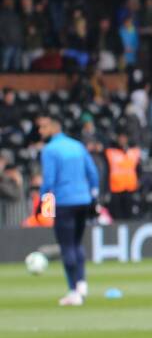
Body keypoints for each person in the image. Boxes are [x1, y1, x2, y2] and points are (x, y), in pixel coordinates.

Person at [36, 114, 98, 306]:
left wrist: (45, 209)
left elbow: (49, 182)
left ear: (54, 128)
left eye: (43, 128)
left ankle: (73, 292)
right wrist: (93, 198)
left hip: (64, 202)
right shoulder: (77, 146)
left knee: (67, 246)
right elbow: (93, 173)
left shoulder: (50, 150)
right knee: (77, 243)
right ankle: (81, 284)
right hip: (84, 200)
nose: (40, 131)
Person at [104, 131, 141, 221]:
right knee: (117, 216)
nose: (122, 140)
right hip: (115, 188)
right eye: (120, 138)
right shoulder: (111, 152)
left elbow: (139, 169)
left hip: (130, 188)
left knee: (129, 216)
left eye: (124, 138)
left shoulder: (133, 152)